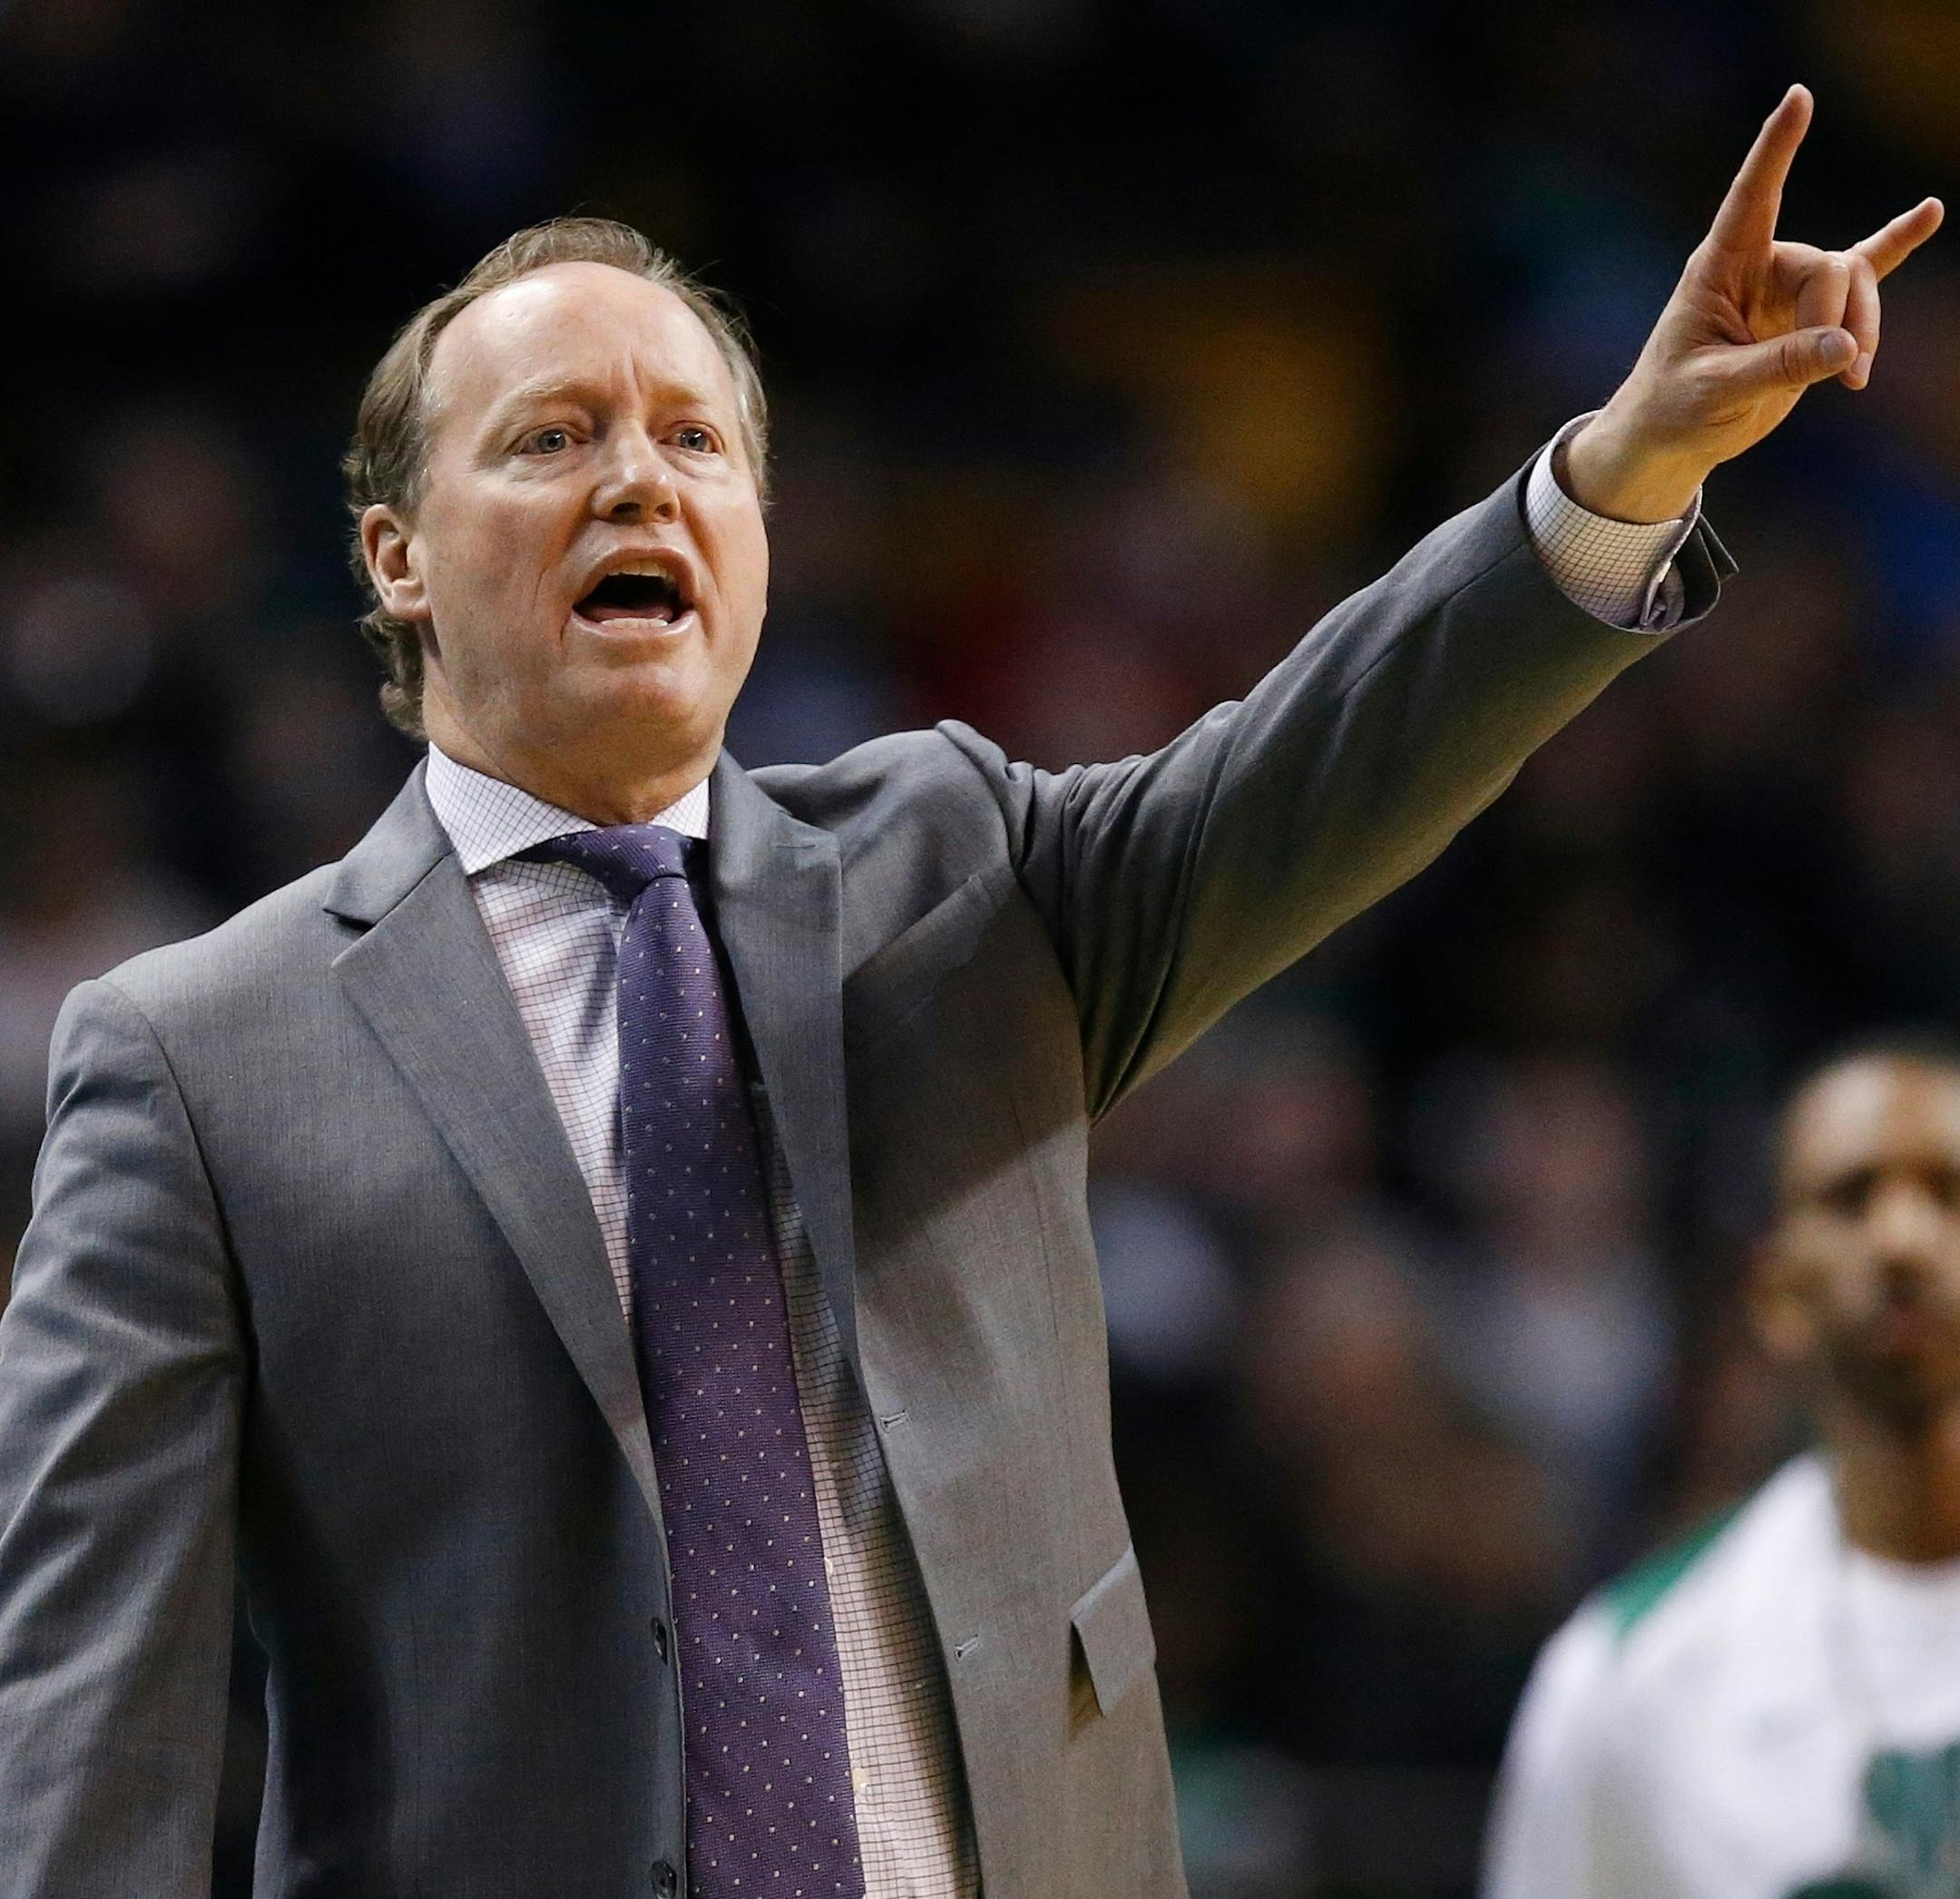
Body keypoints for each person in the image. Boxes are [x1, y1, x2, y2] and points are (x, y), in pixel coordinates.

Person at [0, 85, 1938, 1897]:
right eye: (551, 437)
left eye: (695, 440)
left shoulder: (951, 861)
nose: (640, 484)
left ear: (756, 544)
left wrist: (1630, 463)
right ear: (395, 555)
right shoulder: (196, 1060)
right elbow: (98, 1725)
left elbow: (1312, 765)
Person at [1484, 1038, 1960, 1899]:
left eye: (1951, 1191)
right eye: (1851, 1198)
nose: (1903, 1238)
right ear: (1775, 1292)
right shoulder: (1628, 1676)